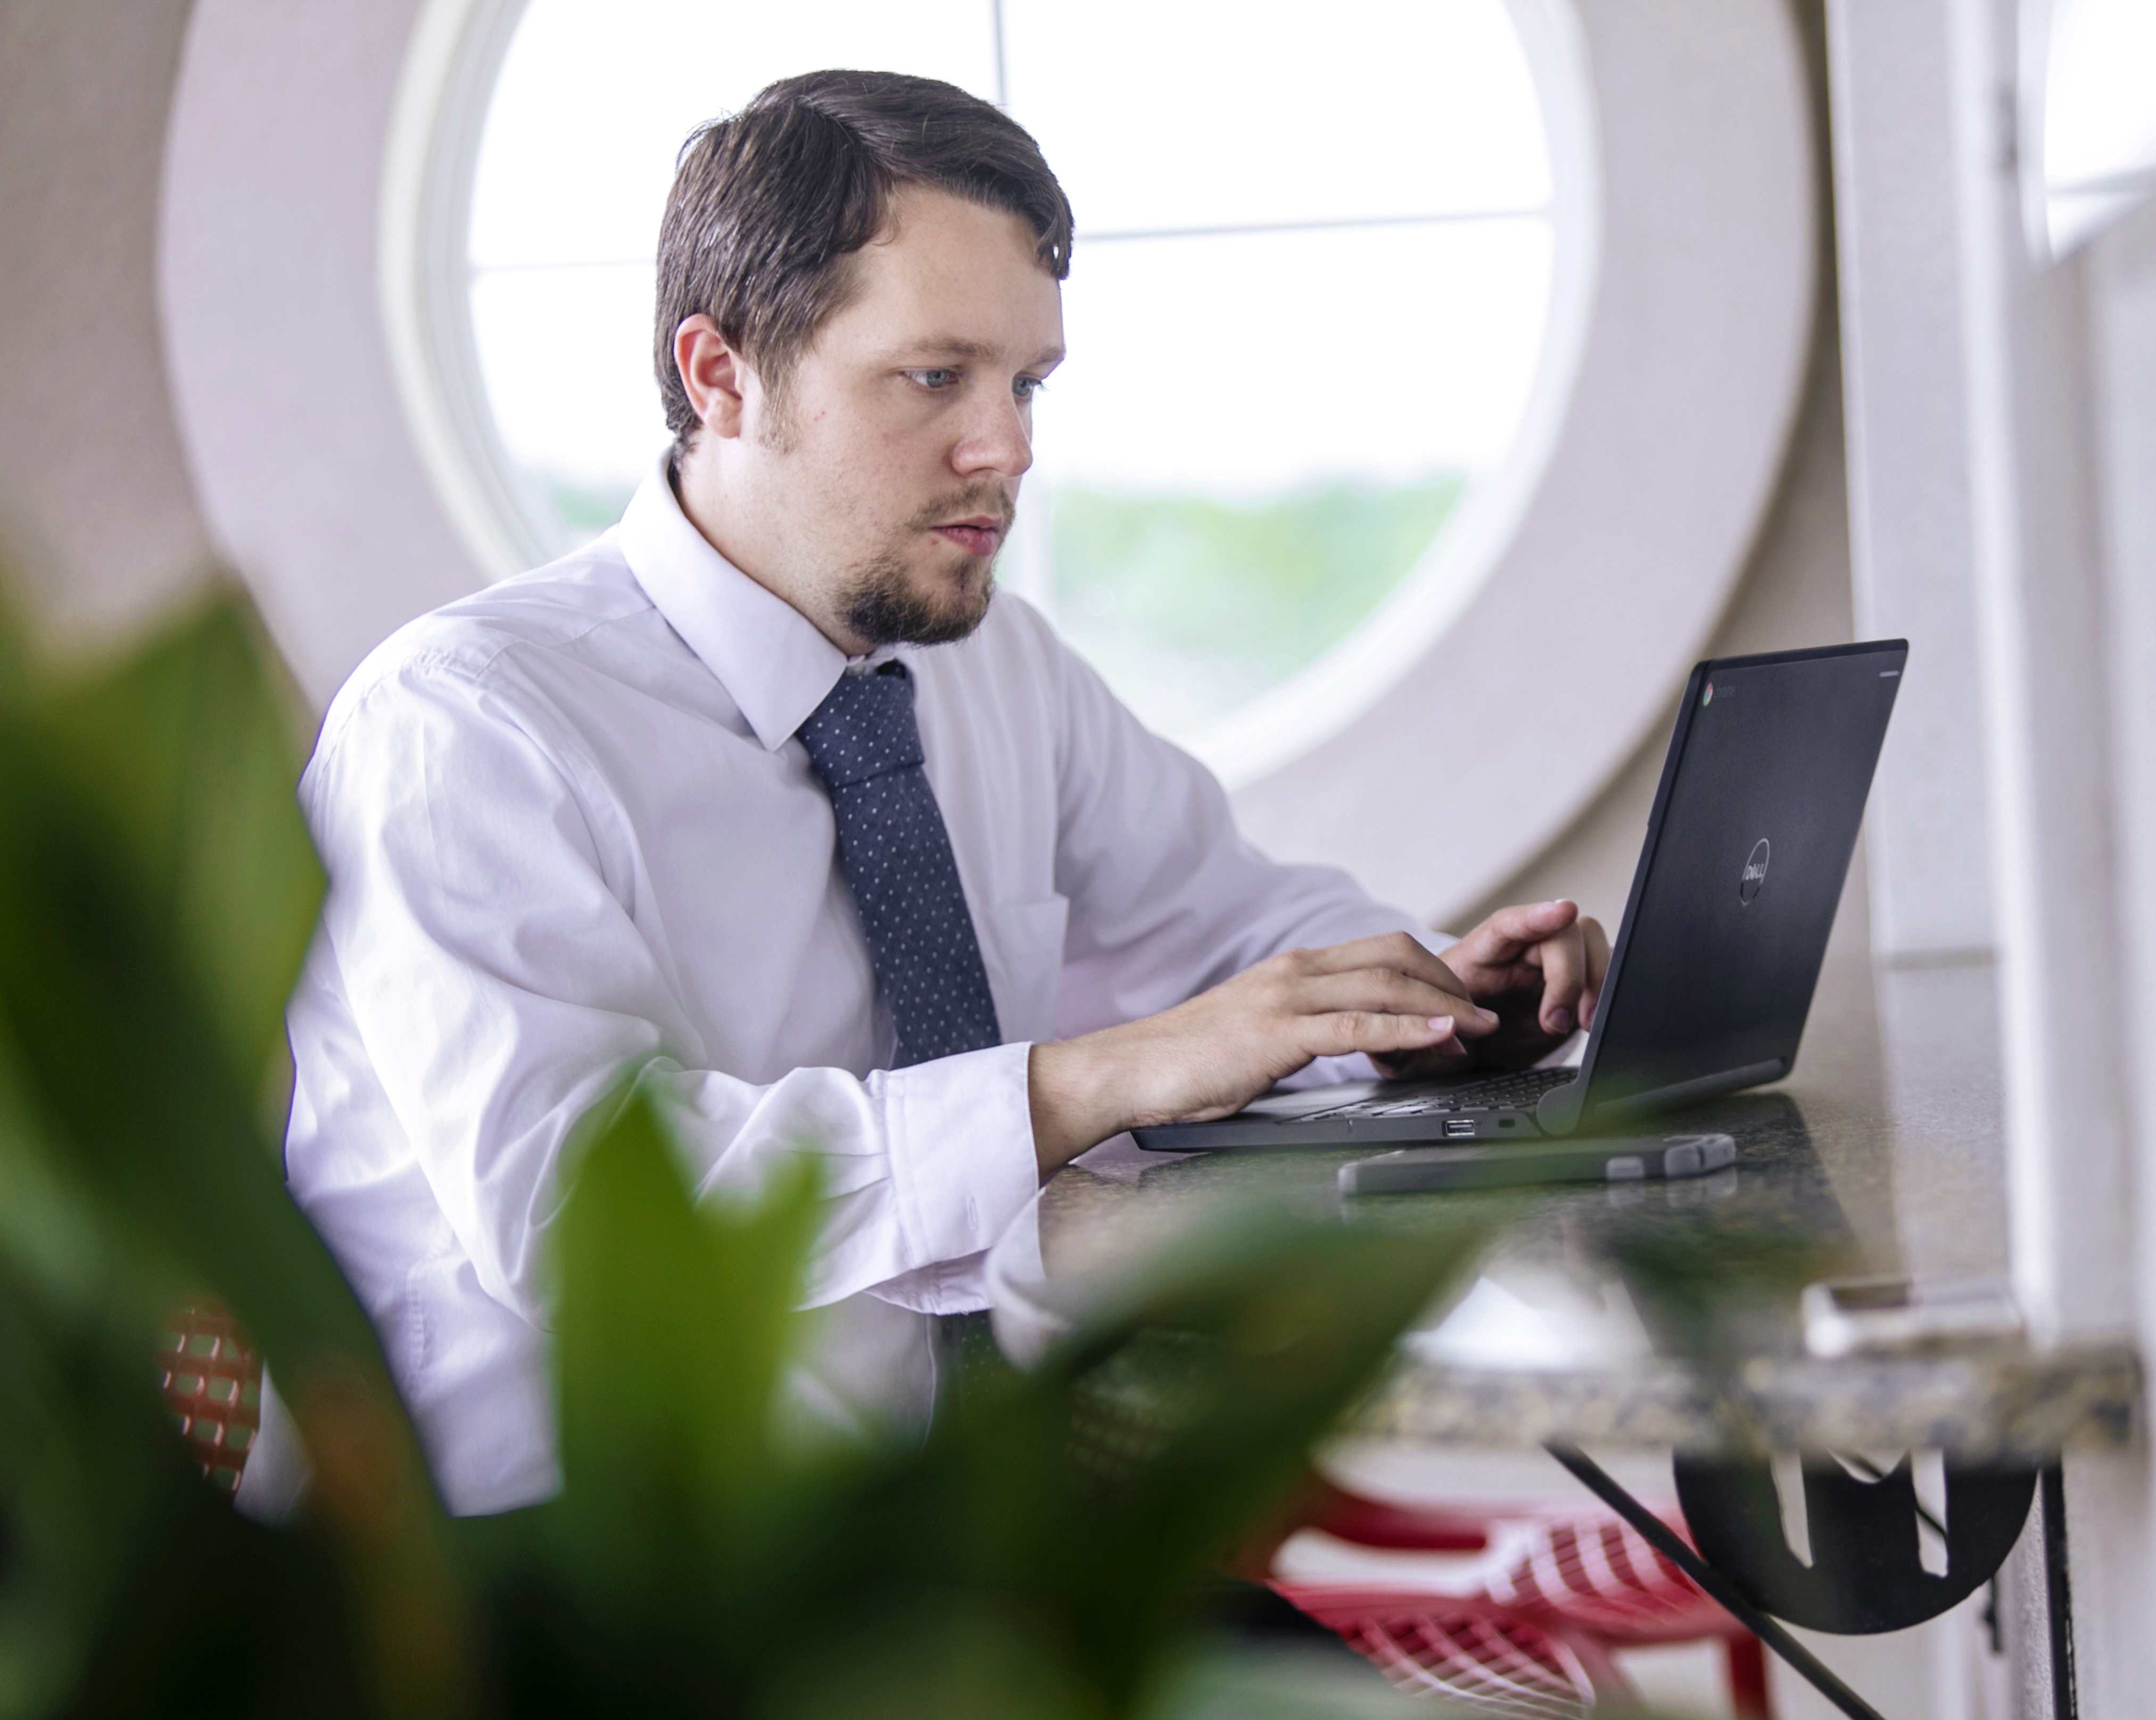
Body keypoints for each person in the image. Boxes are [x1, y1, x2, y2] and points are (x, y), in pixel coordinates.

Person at [268, 70, 1607, 1516]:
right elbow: (586, 1216)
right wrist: (1085, 1081)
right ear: (720, 374)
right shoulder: (465, 727)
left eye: (1027, 384)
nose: (1010, 449)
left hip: (944, 1544)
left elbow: (1228, 929)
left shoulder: (993, 671)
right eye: (934, 378)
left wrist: (1424, 1007)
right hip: (576, 1593)